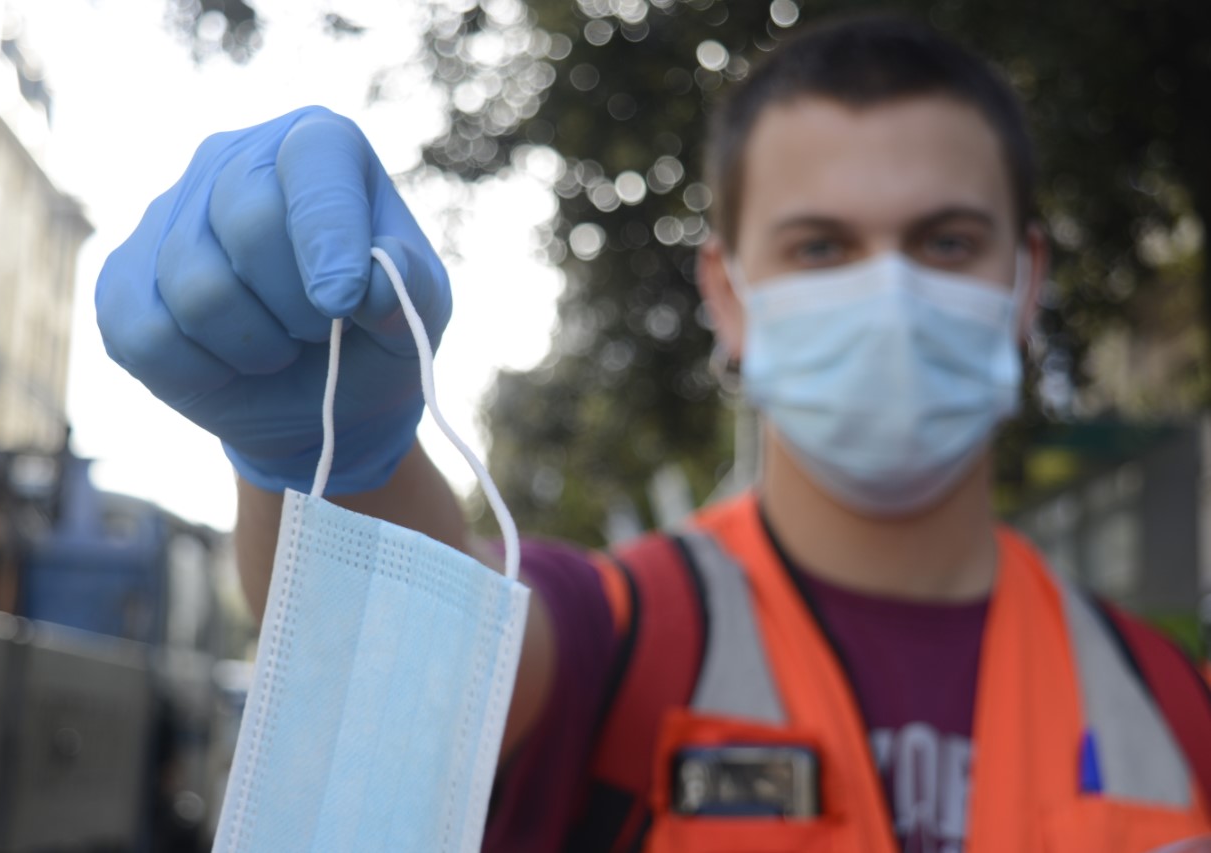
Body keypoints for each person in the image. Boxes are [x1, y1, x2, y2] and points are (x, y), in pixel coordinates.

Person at [96, 14, 1211, 853]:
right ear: (727, 295)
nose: (890, 297)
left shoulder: (1171, 706)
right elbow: (422, 680)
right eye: (821, 248)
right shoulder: (620, 637)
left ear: (1025, 282)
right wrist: (329, 457)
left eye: (947, 242)